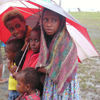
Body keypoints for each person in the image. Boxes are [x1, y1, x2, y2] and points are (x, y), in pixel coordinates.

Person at [36, 8, 80, 100]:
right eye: (46, 19)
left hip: (64, 83)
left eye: (54, 20)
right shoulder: (46, 38)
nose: (48, 24)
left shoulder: (65, 41)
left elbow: (59, 70)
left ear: (61, 22)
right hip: (51, 82)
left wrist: (41, 69)